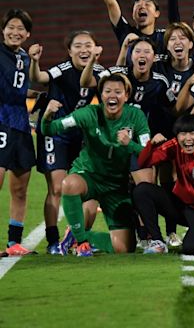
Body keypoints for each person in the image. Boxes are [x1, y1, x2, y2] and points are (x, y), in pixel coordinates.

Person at [41, 73, 151, 256]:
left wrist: (130, 145)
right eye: (107, 91)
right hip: (89, 175)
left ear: (126, 95)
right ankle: (82, 243)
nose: (112, 95)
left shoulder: (136, 116)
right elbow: (49, 130)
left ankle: (78, 236)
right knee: (69, 184)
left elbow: (148, 154)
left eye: (118, 91)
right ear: (101, 95)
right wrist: (47, 115)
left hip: (117, 186)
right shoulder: (88, 114)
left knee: (124, 248)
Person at [28, 30, 104, 254]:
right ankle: (52, 241)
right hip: (55, 131)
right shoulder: (62, 69)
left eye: (88, 45)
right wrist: (34, 61)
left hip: (80, 134)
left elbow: (111, 82)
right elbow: (38, 78)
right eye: (78, 46)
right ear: (69, 51)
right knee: (57, 187)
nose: (84, 49)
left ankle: (75, 238)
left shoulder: (99, 71)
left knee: (84, 187)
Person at [134, 114, 194, 254]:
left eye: (193, 133)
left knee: (190, 248)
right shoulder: (175, 145)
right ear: (177, 136)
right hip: (181, 205)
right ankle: (158, 241)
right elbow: (143, 163)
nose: (187, 138)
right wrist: (151, 145)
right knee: (142, 191)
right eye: (183, 133)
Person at [0, 9, 36, 256]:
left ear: (27, 34)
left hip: (21, 125)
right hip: (0, 120)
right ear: (3, 30)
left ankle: (14, 243)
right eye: (11, 27)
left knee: (20, 188)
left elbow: (23, 90)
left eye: (20, 28)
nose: (15, 32)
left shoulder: (24, 56)